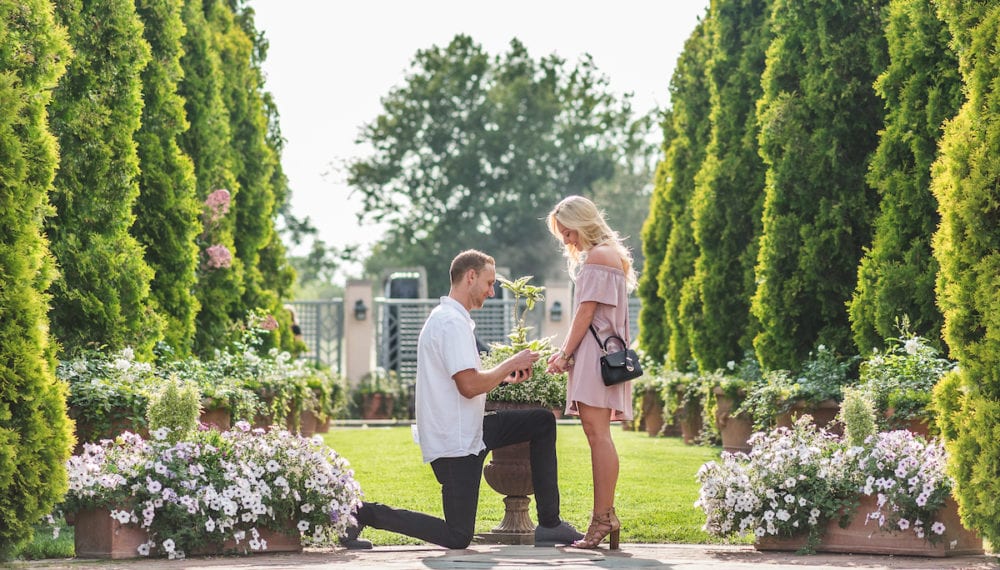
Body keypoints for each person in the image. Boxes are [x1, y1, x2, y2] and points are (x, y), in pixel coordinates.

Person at [340, 249, 583, 550]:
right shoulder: (450, 324)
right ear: (470, 277)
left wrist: (504, 377)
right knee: (457, 536)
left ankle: (549, 524)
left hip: (471, 431)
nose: (492, 291)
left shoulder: (451, 319)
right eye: (489, 283)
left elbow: (465, 381)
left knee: (542, 421)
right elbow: (468, 386)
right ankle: (363, 512)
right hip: (454, 444)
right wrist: (509, 363)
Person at [545, 195, 637, 550]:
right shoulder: (609, 255)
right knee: (597, 434)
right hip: (602, 354)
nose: (567, 240)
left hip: (594, 356)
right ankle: (604, 516)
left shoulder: (599, 257)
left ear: (582, 224)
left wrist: (565, 354)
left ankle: (603, 518)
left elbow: (585, 313)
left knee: (598, 436)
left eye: (568, 232)